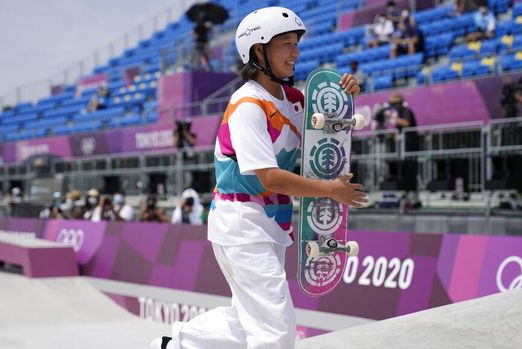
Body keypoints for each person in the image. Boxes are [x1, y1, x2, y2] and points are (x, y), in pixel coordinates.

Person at [151, 7, 365, 349]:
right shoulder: (247, 104)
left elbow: (329, 127)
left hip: (271, 223)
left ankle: (175, 343)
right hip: (242, 224)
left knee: (246, 319)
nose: (295, 52)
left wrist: (346, 93)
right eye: (285, 44)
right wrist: (329, 191)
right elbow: (268, 178)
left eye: (296, 43)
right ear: (258, 51)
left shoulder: (294, 100)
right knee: (275, 329)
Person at [375, 93, 419, 193]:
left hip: (410, 149)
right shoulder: (399, 113)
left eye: (395, 103)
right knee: (404, 173)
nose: (393, 106)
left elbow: (406, 123)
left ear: (400, 103)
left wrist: (392, 117)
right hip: (403, 149)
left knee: (411, 173)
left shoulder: (406, 111)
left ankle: (413, 196)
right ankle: (407, 195)